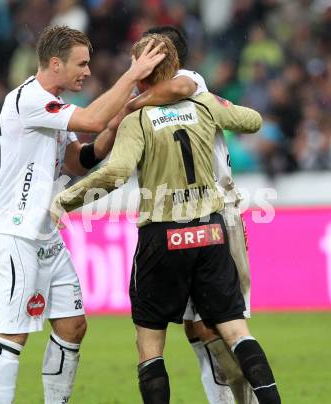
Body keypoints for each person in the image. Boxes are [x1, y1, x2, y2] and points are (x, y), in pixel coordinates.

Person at [51, 34, 281, 404]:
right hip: (211, 231)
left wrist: (64, 199)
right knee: (237, 331)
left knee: (151, 346)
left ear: (140, 73)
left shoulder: (137, 118)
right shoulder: (203, 103)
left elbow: (115, 173)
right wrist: (217, 104)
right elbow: (251, 121)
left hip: (163, 237)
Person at [0, 25, 165, 404]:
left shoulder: (53, 108)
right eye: (81, 64)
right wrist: (130, 76)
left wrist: (121, 118)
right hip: (16, 234)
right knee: (13, 334)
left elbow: (81, 160)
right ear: (55, 63)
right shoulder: (28, 100)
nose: (86, 71)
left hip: (45, 234)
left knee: (73, 326)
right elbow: (92, 121)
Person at [127, 25, 257, 404]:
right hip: (181, 215)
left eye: (147, 56)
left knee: (224, 325)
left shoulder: (189, 81)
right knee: (197, 329)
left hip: (218, 211)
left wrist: (128, 103)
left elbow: (180, 88)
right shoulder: (159, 100)